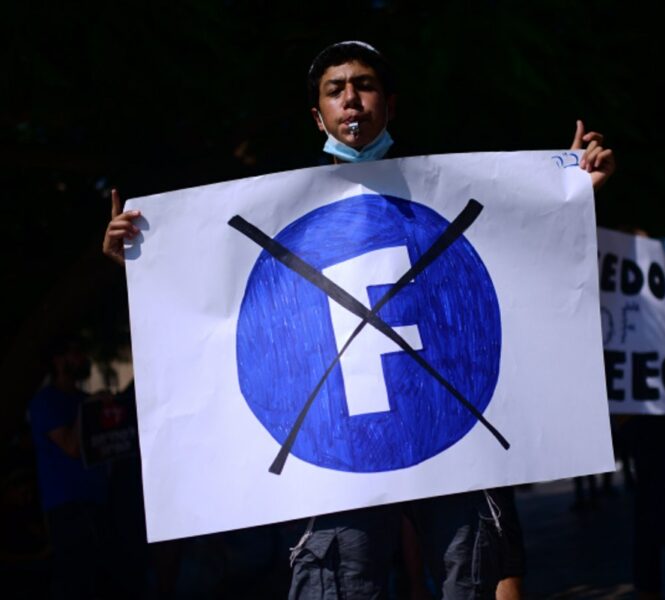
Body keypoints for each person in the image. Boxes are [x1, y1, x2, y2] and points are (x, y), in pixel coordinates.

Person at [103, 40, 615, 599]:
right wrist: (141, 258)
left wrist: (566, 192)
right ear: (317, 115)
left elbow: (522, 250)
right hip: (338, 445)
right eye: (335, 89)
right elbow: (204, 293)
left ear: (390, 105)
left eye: (364, 85)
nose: (351, 99)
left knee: (473, 579)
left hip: (449, 438)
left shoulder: (446, 192)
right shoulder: (282, 207)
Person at [28, 334, 112, 599]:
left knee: (98, 579)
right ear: (58, 360)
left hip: (97, 501)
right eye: (75, 353)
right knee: (73, 580)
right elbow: (71, 446)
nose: (82, 359)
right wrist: (87, 410)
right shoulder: (45, 402)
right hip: (67, 507)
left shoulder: (83, 399)